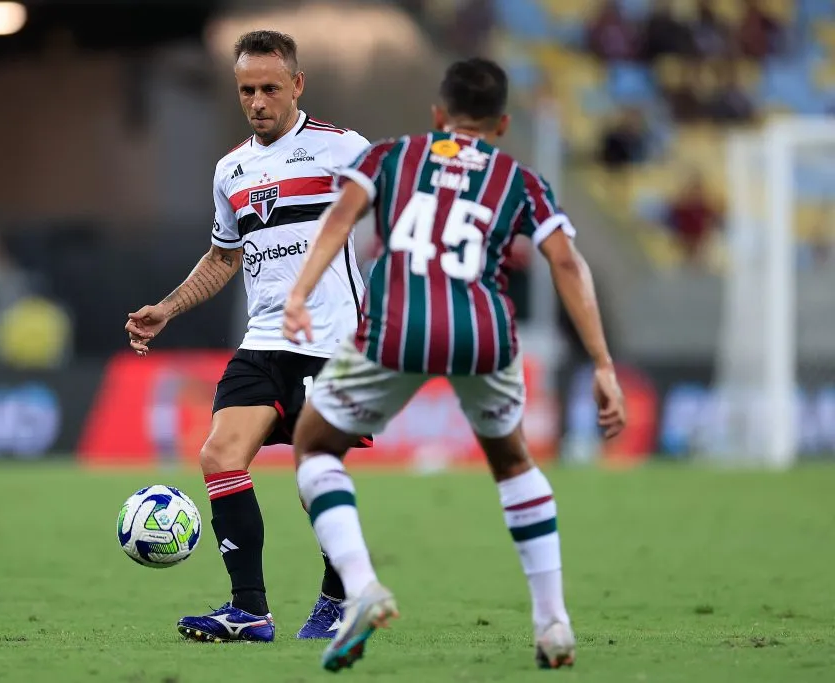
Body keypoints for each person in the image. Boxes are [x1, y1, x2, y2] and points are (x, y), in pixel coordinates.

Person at [281, 57, 627, 672]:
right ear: (501, 124)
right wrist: (602, 362)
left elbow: (339, 219)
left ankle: (362, 589)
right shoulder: (519, 179)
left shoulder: (390, 156)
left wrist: (301, 293)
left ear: (438, 114)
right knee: (513, 462)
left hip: (397, 328)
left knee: (312, 446)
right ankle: (553, 623)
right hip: (484, 333)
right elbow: (567, 263)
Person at [124, 30, 372, 643]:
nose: (257, 101)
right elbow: (222, 257)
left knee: (316, 473)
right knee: (218, 456)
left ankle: (340, 600)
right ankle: (251, 612)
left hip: (332, 340)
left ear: (297, 85)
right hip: (265, 339)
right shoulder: (230, 169)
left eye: (269, 87)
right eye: (246, 90)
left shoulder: (343, 150)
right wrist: (168, 308)